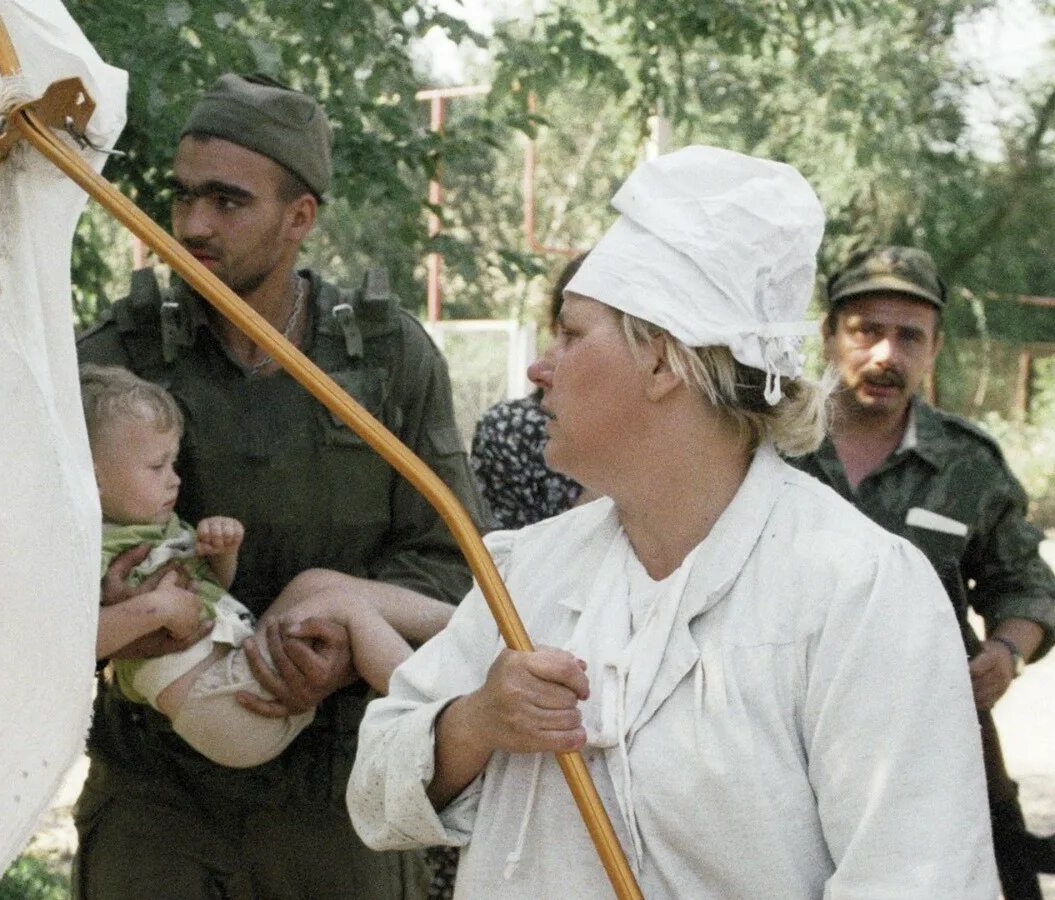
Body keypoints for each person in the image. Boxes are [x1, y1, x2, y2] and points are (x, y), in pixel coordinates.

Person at [347, 146, 998, 897]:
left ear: (661, 363)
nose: (539, 367)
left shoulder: (856, 589)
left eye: (571, 333)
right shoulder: (529, 568)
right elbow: (375, 798)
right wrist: (474, 723)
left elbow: (918, 878)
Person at [73, 73, 485, 898]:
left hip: (334, 799)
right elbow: (15, 562)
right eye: (184, 197)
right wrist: (113, 612)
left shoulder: (387, 361)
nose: (191, 225)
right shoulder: (113, 364)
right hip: (159, 796)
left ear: (300, 218)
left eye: (228, 203)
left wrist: (339, 647)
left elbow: (454, 563)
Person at [791, 245, 1055, 899]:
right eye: (866, 332)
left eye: (909, 337)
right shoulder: (771, 446)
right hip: (780, 730)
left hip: (933, 739)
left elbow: (1023, 583)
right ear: (829, 337)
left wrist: (1003, 651)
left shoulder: (965, 464)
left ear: (933, 349)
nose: (886, 354)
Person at [80, 364, 418, 769]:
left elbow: (212, 592)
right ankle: (435, 712)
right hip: (220, 708)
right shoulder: (85, 546)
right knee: (342, 604)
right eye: (157, 467)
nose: (175, 481)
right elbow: (72, 642)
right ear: (95, 479)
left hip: (241, 670)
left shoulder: (155, 525)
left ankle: (471, 622)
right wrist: (154, 610)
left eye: (173, 464)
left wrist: (221, 553)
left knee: (316, 584)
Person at [469, 253, 586, 529]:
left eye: (572, 336)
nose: (537, 370)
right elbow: (500, 567)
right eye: (560, 333)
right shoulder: (509, 432)